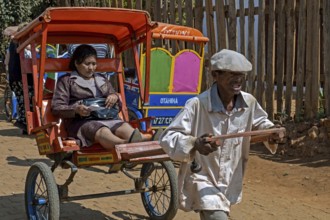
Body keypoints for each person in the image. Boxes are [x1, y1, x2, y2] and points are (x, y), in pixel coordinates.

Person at [159, 49, 284, 220]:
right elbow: (168, 137)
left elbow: (261, 122)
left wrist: (272, 132)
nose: (238, 79)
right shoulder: (197, 104)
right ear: (215, 75)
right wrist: (195, 143)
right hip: (202, 175)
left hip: (231, 175)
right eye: (232, 74)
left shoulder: (248, 102)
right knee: (217, 217)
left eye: (241, 74)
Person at [51, 44, 142, 150]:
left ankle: (145, 141)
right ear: (76, 63)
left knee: (124, 127)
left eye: (94, 64)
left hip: (108, 118)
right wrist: (76, 110)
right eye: (87, 64)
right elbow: (57, 108)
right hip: (82, 122)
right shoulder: (66, 81)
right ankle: (125, 144)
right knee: (103, 130)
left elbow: (118, 105)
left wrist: (114, 97)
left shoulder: (102, 79)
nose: (91, 68)